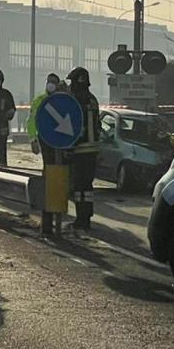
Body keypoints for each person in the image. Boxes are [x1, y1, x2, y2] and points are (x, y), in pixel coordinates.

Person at [65, 66, 101, 230]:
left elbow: (72, 125)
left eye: (72, 81)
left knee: (78, 187)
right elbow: (97, 125)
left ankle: (81, 219)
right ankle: (87, 217)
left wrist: (67, 147)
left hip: (79, 149)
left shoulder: (74, 100)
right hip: (92, 150)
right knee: (88, 186)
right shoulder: (92, 99)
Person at [28, 72, 63, 163]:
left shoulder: (63, 100)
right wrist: (33, 140)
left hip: (61, 139)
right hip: (44, 138)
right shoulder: (39, 100)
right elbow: (32, 121)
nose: (50, 84)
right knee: (48, 164)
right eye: (49, 81)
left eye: (53, 82)